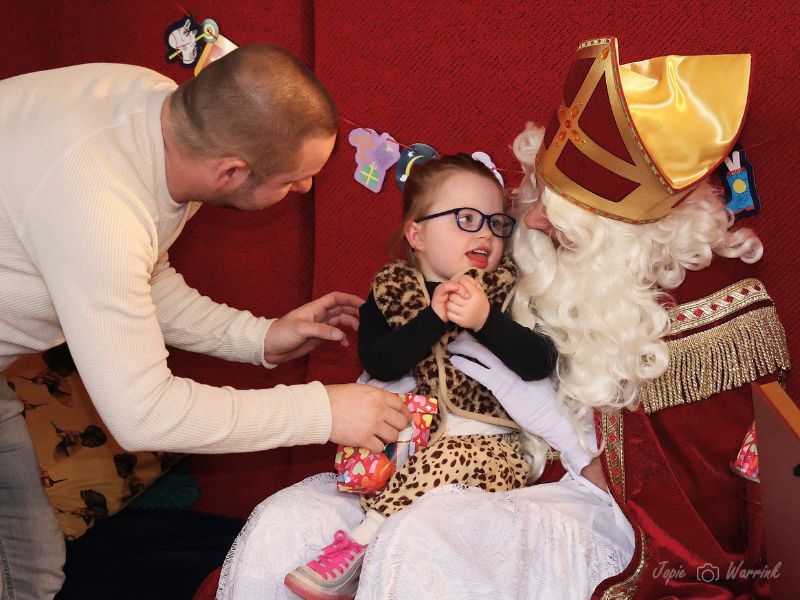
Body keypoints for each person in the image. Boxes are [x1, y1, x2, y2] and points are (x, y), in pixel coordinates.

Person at [215, 38, 790, 600]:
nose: (526, 222)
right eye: (536, 194)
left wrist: (600, 466)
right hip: (443, 460)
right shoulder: (519, 266)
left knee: (424, 543)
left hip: (593, 505)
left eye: (556, 216)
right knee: (284, 521)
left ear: (616, 234)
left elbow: (713, 491)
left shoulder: (713, 311)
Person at [0, 44, 411, 599]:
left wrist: (258, 337)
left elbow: (138, 271)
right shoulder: (98, 208)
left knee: (28, 567)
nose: (305, 189)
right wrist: (323, 411)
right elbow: (144, 415)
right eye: (294, 179)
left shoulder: (161, 111)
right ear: (231, 171)